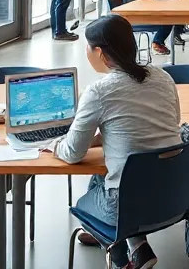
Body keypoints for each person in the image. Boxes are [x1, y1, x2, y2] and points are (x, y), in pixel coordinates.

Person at [55, 14, 182, 269]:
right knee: (109, 176)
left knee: (88, 198)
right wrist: (105, 138)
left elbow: (72, 153)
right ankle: (139, 247)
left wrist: (55, 145)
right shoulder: (163, 77)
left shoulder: (99, 91)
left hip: (125, 204)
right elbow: (171, 122)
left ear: (101, 54)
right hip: (175, 194)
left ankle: (121, 259)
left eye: (88, 46)